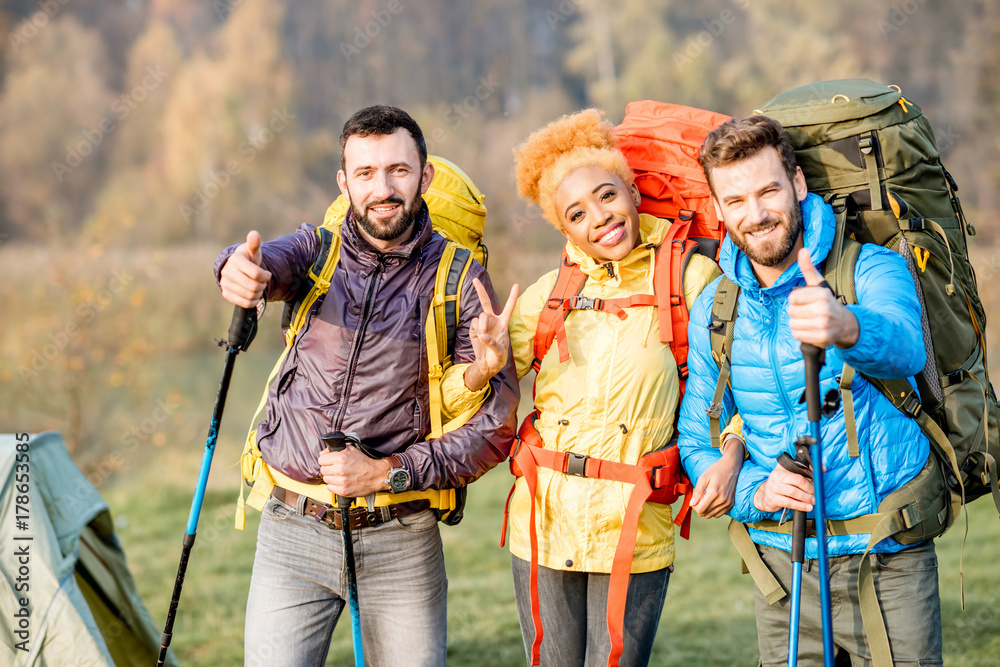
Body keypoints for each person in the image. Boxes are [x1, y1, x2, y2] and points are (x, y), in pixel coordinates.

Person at [214, 105, 520, 667]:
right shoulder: (318, 251)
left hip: (400, 539)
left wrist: (388, 471)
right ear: (344, 181)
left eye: (399, 171)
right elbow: (269, 262)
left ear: (424, 176)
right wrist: (238, 269)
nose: (383, 188)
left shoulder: (461, 278)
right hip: (293, 531)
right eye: (366, 173)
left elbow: (495, 426)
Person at [457, 109, 745, 666]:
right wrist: (482, 367)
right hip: (541, 521)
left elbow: (738, 384)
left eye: (607, 195)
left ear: (633, 191)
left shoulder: (691, 279)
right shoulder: (547, 295)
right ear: (563, 230)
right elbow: (462, 397)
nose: (601, 218)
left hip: (634, 525)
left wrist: (730, 455)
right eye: (578, 214)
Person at [677, 114, 942, 665]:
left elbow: (907, 346)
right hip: (781, 563)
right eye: (736, 200)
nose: (756, 214)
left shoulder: (868, 268)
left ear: (797, 183)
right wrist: (758, 491)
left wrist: (845, 326)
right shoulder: (714, 309)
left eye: (769, 190)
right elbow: (695, 439)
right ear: (720, 209)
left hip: (884, 550)